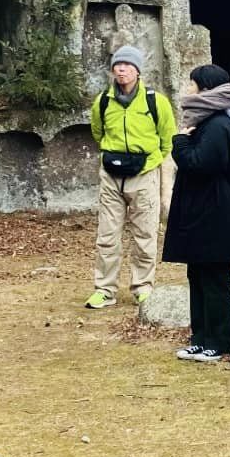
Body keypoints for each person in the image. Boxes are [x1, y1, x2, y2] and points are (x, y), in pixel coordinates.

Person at [85, 43, 177, 310]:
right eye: (117, 65)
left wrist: (152, 162)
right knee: (107, 234)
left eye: (127, 65)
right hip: (111, 174)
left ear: (138, 70)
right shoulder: (103, 100)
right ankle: (104, 289)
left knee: (145, 233)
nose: (121, 69)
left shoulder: (154, 100)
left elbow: (167, 138)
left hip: (144, 173)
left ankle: (142, 287)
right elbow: (97, 132)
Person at [163, 66, 230, 362]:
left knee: (214, 278)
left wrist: (180, 142)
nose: (189, 90)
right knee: (197, 274)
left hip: (214, 211)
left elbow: (200, 163)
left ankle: (221, 340)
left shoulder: (218, 124)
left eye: (193, 85)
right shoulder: (205, 120)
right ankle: (200, 336)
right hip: (200, 209)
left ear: (206, 89)